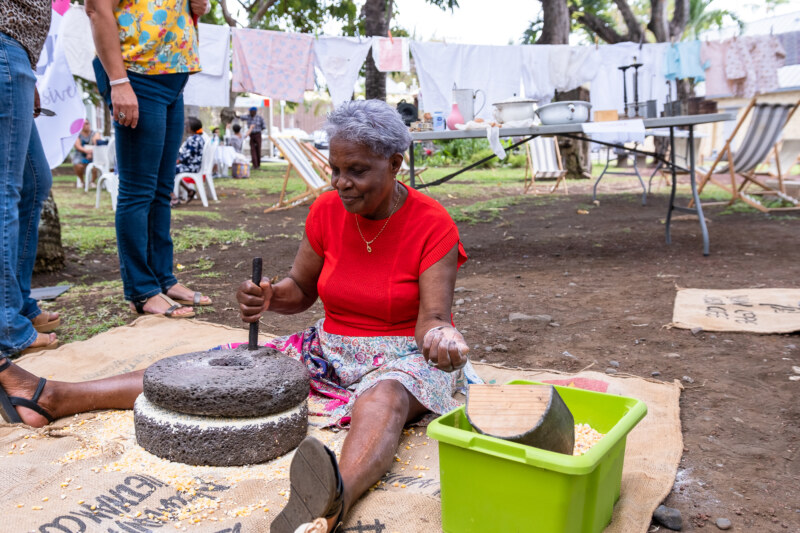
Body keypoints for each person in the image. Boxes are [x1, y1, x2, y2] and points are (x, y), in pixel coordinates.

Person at [0, 100, 479, 533]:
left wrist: (441, 338)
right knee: (213, 368)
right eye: (334, 168)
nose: (340, 183)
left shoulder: (431, 223)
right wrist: (270, 296)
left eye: (356, 170)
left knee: (384, 399)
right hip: (331, 347)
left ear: (395, 164)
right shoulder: (328, 210)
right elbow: (301, 290)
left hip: (403, 355)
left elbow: (431, 318)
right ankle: (53, 396)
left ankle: (332, 504)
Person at [86, 0, 212, 318]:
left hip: (172, 80)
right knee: (138, 190)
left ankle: (163, 279)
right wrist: (118, 82)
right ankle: (142, 290)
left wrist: (200, 7)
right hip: (136, 76)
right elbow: (97, 8)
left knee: (160, 189)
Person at [0, 0, 62, 358]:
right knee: (5, 190)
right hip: (5, 46)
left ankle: (17, 302)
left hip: (17, 54)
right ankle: (7, 325)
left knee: (35, 181)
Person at [72, 119, 101, 188]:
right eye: (84, 124)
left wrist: (91, 153)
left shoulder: (94, 134)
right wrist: (86, 151)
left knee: (95, 166)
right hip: (81, 155)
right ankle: (82, 182)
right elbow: (77, 146)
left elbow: (97, 144)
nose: (86, 125)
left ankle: (92, 182)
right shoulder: (78, 135)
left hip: (94, 154)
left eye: (87, 123)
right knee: (77, 165)